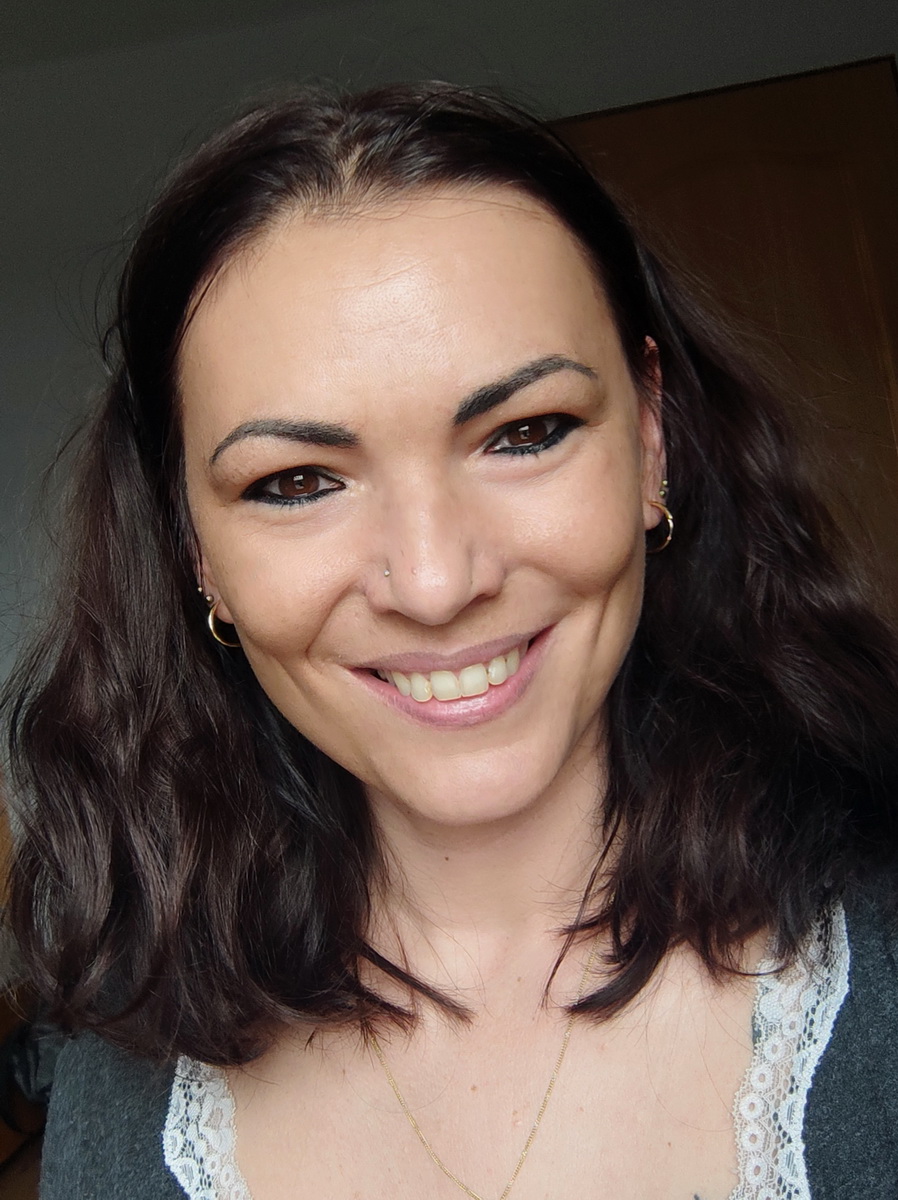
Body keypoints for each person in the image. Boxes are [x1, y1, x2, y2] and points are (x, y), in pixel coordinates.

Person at [3, 80, 898, 1200]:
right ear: (193, 547)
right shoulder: (122, 1079)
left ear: (651, 437)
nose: (433, 584)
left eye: (525, 433)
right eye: (297, 482)